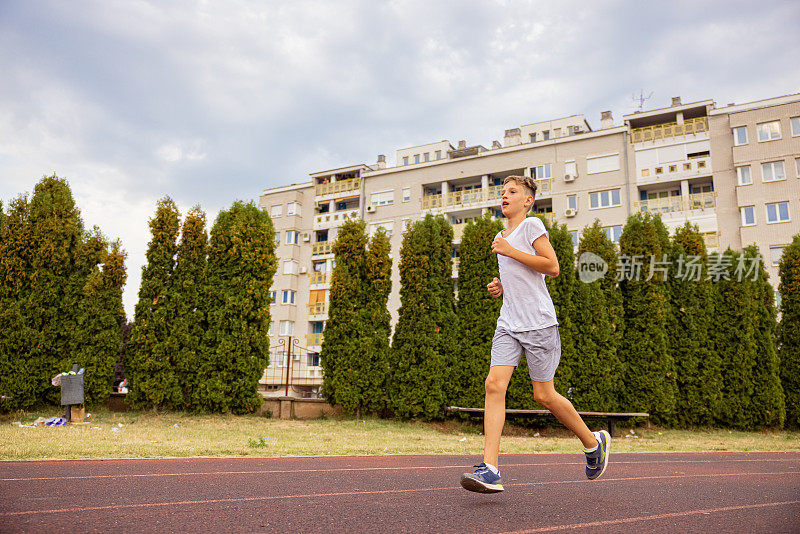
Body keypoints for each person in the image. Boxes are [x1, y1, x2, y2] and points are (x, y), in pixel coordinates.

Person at [460, 175, 610, 494]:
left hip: (538, 323)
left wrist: (510, 251)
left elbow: (552, 266)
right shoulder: (502, 237)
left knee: (544, 396)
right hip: (509, 323)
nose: (504, 196)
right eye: (502, 192)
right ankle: (490, 469)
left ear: (527, 201)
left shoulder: (532, 226)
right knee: (493, 384)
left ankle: (592, 442)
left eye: (512, 192)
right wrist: (501, 285)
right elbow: (522, 275)